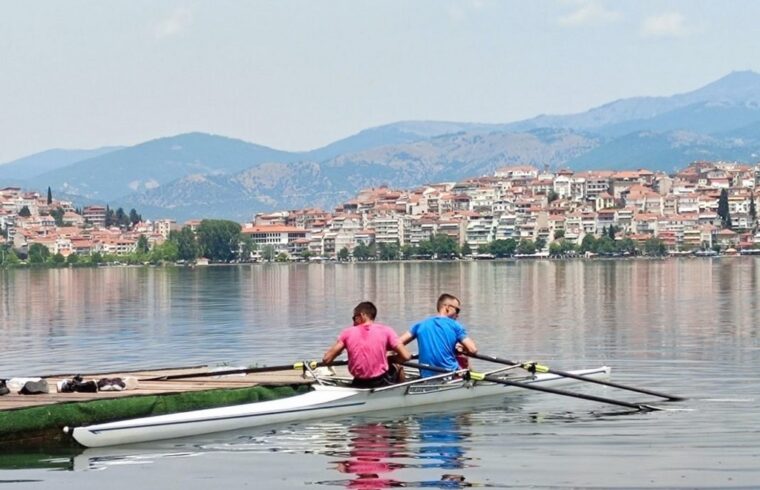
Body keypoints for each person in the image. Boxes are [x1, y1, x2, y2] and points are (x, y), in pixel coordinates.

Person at [323, 301, 411, 388]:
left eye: (354, 318)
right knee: (398, 367)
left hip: (358, 382)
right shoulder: (386, 331)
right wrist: (390, 359)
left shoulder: (347, 333)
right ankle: (401, 392)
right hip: (380, 381)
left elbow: (326, 359)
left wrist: (338, 352)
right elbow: (406, 356)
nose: (353, 323)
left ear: (362, 315)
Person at [399, 293, 477, 377]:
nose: (458, 315)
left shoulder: (420, 325)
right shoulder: (455, 325)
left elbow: (397, 343)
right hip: (450, 375)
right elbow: (473, 350)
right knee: (466, 366)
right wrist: (462, 350)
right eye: (457, 310)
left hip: (426, 376)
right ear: (447, 307)